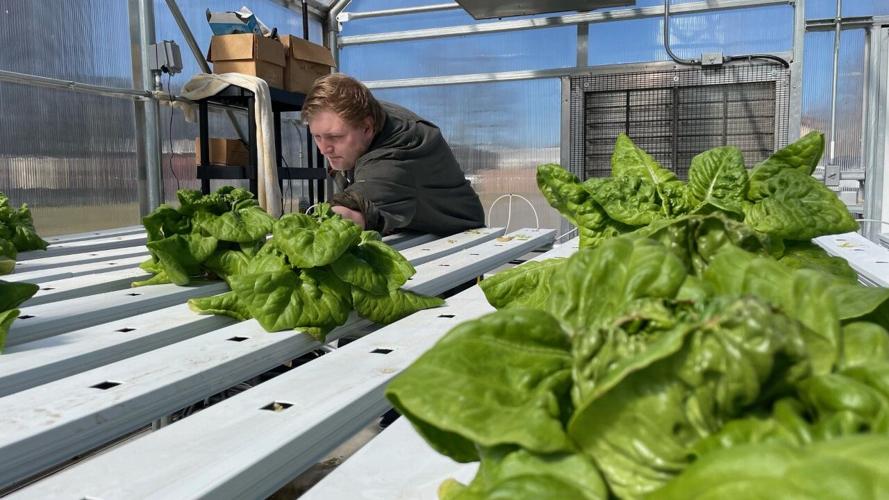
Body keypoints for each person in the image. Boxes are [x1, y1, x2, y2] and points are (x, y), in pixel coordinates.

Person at [300, 74, 486, 235]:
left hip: (460, 237)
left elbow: (351, 211)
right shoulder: (364, 114)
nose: (323, 149)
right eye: (317, 137)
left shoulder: (399, 150)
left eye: (335, 137)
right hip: (412, 227)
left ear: (367, 128)